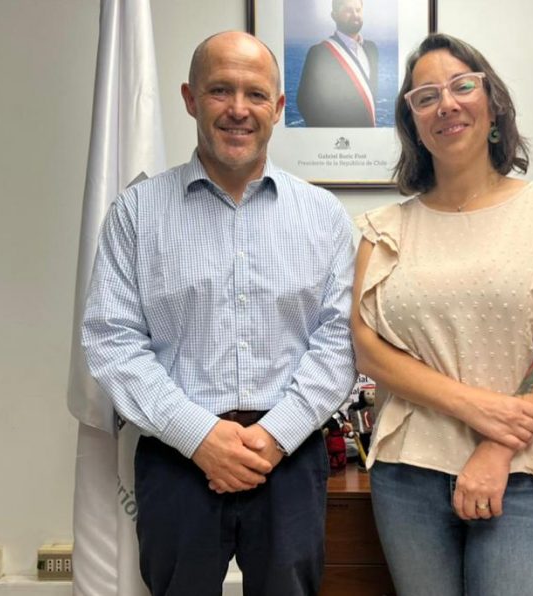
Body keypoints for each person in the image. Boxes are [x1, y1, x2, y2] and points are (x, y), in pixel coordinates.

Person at [81, 31, 356, 596]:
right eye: (219, 90)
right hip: (177, 456)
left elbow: (339, 341)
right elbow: (112, 340)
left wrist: (275, 436)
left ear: (279, 108)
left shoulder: (324, 217)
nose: (238, 110)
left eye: (256, 94)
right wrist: (200, 436)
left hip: (289, 457)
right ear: (189, 98)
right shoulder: (136, 213)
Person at [351, 33, 533, 596]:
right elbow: (368, 350)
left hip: (527, 472)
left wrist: (495, 446)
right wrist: (479, 409)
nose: (447, 104)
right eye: (425, 97)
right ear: (413, 122)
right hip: (408, 472)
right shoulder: (383, 230)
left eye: (463, 86)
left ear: (493, 103)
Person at [296, 0, 378, 127]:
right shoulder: (319, 52)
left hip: (367, 139)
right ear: (334, 15)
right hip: (337, 140)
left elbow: (371, 96)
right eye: (348, 10)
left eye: (358, 10)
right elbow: (304, 102)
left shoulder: (372, 49)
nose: (355, 14)